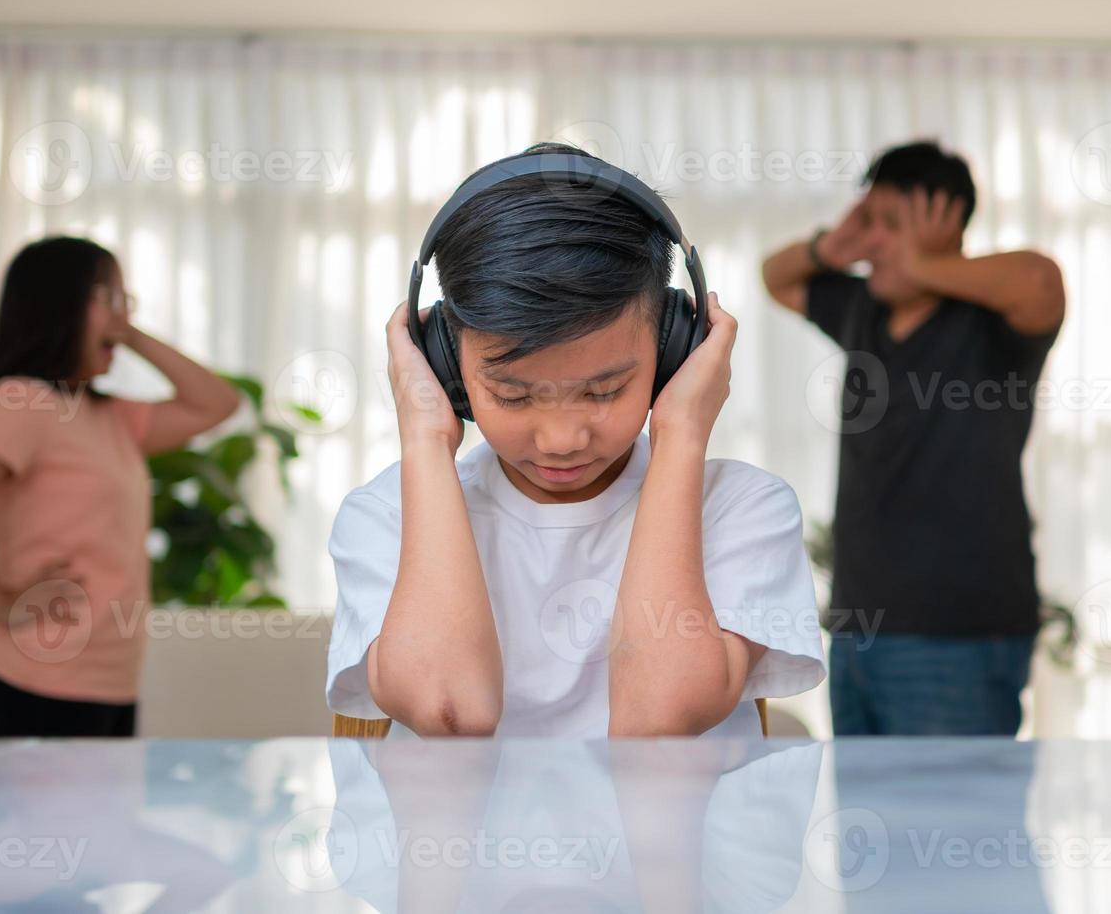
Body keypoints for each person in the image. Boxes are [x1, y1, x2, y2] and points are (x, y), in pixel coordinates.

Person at [326, 143, 825, 738]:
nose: (562, 439)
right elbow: (449, 711)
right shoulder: (388, 515)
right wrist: (425, 439)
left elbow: (658, 720)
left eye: (604, 390)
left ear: (675, 350)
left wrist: (682, 434)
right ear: (444, 366)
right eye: (512, 396)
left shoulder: (742, 508)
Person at [761, 141, 1066, 736]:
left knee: (959, 828)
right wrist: (833, 246)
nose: (873, 242)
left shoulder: (990, 323)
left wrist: (922, 265)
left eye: (891, 225)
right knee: (869, 829)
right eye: (867, 221)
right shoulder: (864, 310)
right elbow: (775, 276)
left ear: (948, 224)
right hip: (856, 632)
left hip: (958, 637)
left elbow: (1042, 278)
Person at [0, 236, 241, 737]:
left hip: (111, 679)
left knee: (104, 819)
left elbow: (218, 403)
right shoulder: (24, 401)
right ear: (58, 305)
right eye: (106, 297)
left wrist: (127, 333)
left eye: (124, 300)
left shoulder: (107, 416)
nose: (121, 314)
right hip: (43, 679)